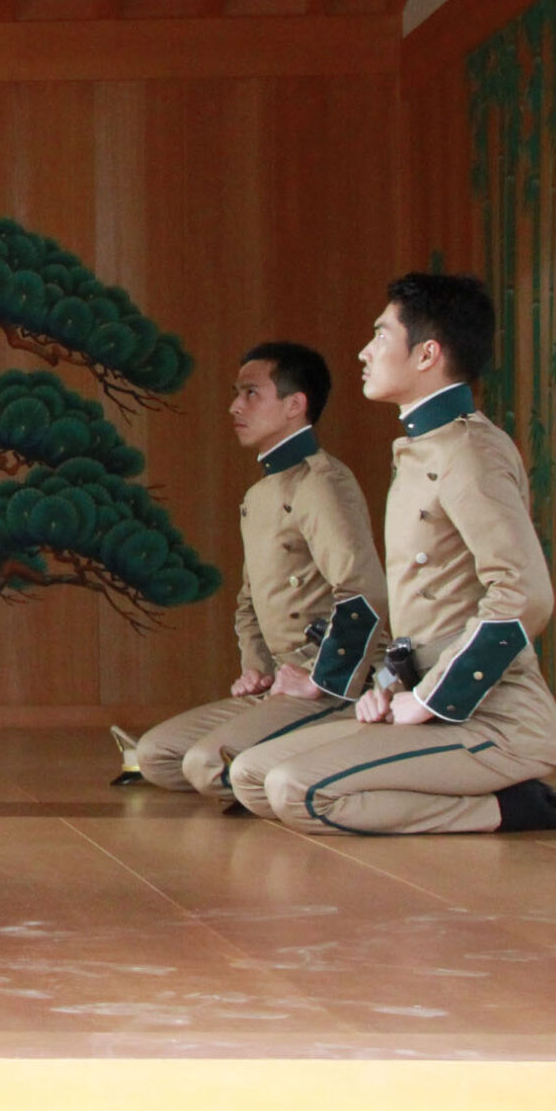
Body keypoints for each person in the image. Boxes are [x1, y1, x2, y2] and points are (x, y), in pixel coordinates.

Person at [254, 273, 556, 835]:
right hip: (420, 700)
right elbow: (432, 609)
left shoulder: (469, 451)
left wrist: (429, 698)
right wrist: (386, 687)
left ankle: (510, 809)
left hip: (494, 718)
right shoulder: (423, 446)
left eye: (381, 335)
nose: (364, 351)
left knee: (295, 791)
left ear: (427, 354)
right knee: (252, 775)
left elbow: (524, 594)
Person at [117, 343, 386, 804]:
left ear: (294, 405)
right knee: (155, 755)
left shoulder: (321, 483)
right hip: (284, 682)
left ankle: (343, 746)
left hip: (335, 684)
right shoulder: (260, 493)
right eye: (236, 394)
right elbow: (249, 602)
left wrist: (321, 680)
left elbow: (364, 592)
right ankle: (273, 754)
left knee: (206, 765)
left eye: (250, 394)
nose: (234, 407)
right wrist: (256, 668)